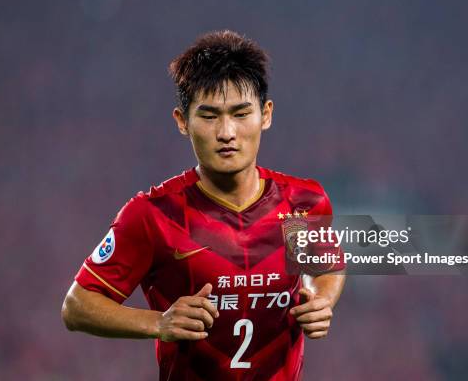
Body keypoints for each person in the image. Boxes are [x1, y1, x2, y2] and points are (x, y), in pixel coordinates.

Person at [61, 30, 346, 381]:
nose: (227, 132)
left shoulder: (303, 202)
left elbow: (327, 264)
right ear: (183, 121)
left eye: (241, 113)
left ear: (266, 114)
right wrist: (158, 322)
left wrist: (321, 300)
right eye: (209, 116)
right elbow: (76, 306)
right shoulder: (153, 215)